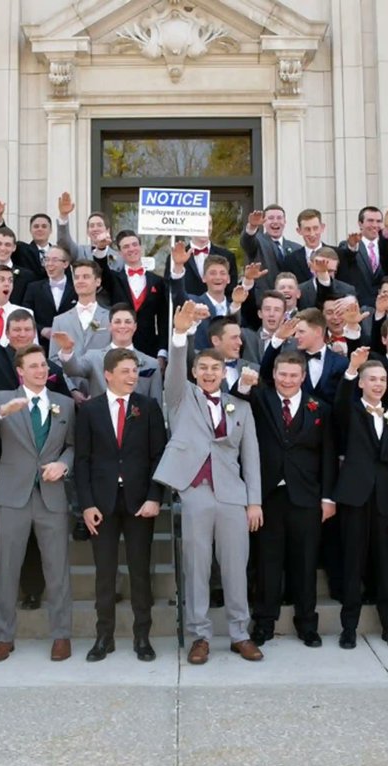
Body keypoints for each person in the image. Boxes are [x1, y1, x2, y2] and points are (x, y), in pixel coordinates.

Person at [154, 301, 264, 665]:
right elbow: (173, 374)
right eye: (202, 368)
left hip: (233, 494)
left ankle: (239, 633)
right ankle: (199, 635)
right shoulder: (181, 397)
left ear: (224, 372)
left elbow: (251, 457)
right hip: (195, 491)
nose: (208, 373)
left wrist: (255, 501)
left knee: (235, 566)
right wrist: (179, 336)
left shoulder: (240, 406)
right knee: (197, 567)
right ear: (195, 371)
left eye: (215, 368)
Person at [0, 345, 77, 662]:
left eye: (43, 365)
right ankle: (4, 636)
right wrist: (2, 412)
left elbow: (73, 446)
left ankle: (61, 635)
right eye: (33, 366)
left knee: (58, 570)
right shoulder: (4, 398)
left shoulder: (65, 404)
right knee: (6, 569)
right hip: (12, 496)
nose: (41, 370)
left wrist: (64, 464)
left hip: (52, 497)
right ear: (20, 371)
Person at [238, 350, 337, 648]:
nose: (288, 380)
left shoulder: (320, 408)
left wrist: (328, 498)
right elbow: (237, 399)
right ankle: (264, 622)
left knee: (305, 563)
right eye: (283, 374)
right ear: (275, 375)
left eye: (294, 375)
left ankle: (307, 624)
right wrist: (244, 384)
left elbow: (328, 456)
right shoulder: (260, 399)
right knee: (267, 562)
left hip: (306, 497)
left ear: (303, 377)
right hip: (267, 495)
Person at [75, 349, 167, 662]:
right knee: (104, 573)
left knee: (140, 571)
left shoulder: (148, 407)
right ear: (108, 374)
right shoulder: (90, 410)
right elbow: (82, 460)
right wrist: (86, 505)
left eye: (135, 371)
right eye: (126, 371)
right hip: (102, 504)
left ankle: (143, 636)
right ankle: (105, 637)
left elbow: (159, 455)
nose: (132, 377)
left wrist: (155, 497)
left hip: (140, 502)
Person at [333, 347, 388, 649]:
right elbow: (339, 402)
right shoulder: (350, 410)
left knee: (384, 565)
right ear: (361, 383)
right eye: (372, 379)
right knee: (352, 563)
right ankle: (348, 628)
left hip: (386, 502)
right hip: (354, 498)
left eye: (382, 379)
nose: (378, 384)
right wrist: (351, 370)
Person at [55, 305, 164, 400]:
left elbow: (156, 406)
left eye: (127, 322)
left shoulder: (151, 364)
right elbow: (73, 370)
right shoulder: (94, 357)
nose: (122, 326)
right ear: (110, 326)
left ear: (135, 326)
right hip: (101, 421)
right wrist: (67, 350)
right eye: (117, 322)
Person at [97, 230, 169, 359]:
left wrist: (162, 353)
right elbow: (101, 268)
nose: (131, 249)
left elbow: (163, 320)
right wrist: (101, 248)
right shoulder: (114, 279)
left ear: (141, 247)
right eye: (126, 246)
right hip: (119, 347)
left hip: (149, 349)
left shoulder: (157, 281)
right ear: (119, 253)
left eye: (134, 244)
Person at [240, 205, 302, 291]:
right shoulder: (258, 241)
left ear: (285, 221)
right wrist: (252, 227)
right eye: (271, 218)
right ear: (264, 222)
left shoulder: (296, 248)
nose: (275, 221)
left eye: (279, 218)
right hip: (264, 298)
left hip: (289, 299)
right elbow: (247, 241)